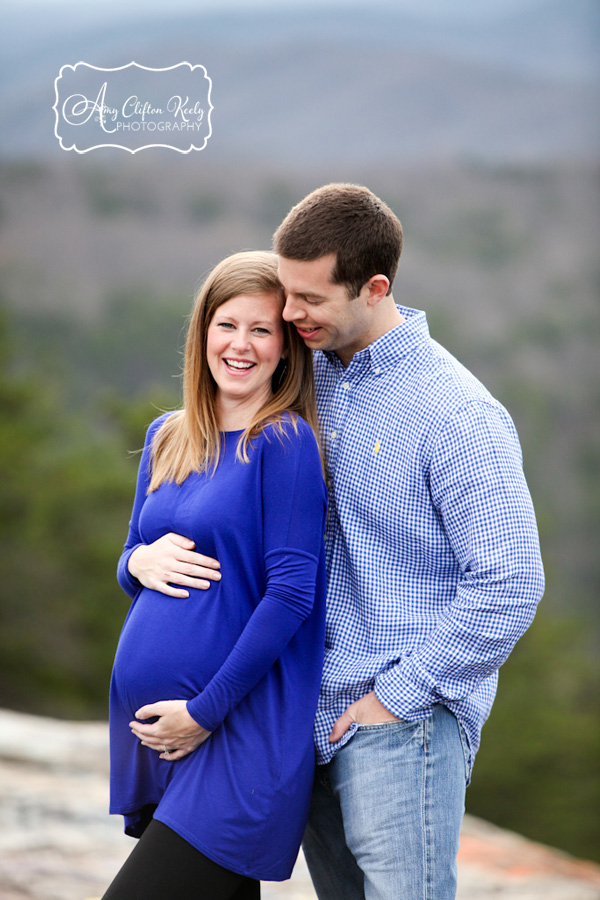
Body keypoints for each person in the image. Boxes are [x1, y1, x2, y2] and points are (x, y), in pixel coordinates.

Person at [131, 184, 545, 900]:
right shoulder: (304, 375)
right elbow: (209, 466)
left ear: (375, 287)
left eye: (310, 300)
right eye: (286, 294)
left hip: (398, 722)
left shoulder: (457, 414)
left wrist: (397, 695)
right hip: (299, 714)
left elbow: (510, 584)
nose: (289, 316)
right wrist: (136, 555)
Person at [103, 251, 327, 900]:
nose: (241, 344)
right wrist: (135, 563)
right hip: (161, 738)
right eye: (227, 324)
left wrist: (204, 712)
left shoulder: (284, 443)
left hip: (233, 735)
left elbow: (291, 596)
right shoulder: (166, 436)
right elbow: (132, 561)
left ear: (285, 350)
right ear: (203, 330)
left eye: (262, 330)